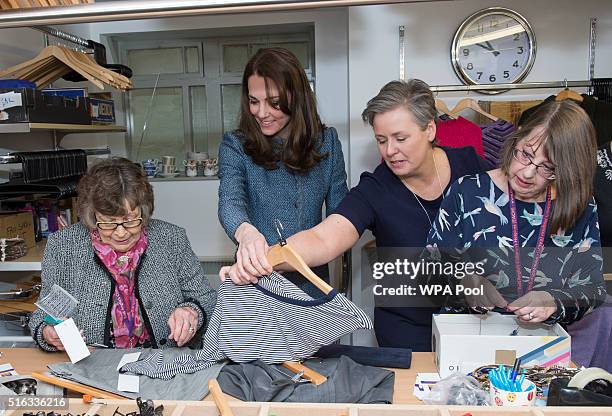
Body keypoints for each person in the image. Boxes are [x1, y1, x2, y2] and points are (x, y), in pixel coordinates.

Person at [221, 79, 485, 351]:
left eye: (400, 138)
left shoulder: (472, 166)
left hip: (476, 325)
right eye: (381, 140)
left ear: (429, 128)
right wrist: (256, 261)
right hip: (408, 333)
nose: (390, 151)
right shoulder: (376, 189)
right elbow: (322, 239)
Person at [426, 100, 607, 325]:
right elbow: (429, 268)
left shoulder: (579, 205)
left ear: (568, 170)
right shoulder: (468, 192)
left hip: (542, 347)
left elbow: (593, 288)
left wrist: (553, 300)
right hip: (467, 338)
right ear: (517, 138)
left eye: (548, 167)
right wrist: (463, 280)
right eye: (526, 154)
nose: (528, 172)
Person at [29, 158, 217, 351]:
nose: (121, 233)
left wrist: (192, 312)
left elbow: (206, 298)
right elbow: (43, 315)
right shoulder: (63, 246)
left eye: (130, 221)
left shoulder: (171, 239)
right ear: (91, 215)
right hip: (92, 366)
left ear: (144, 212)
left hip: (165, 363)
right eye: (109, 222)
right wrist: (47, 332)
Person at [218, 47, 348, 293]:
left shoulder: (327, 142)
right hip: (255, 282)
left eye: (274, 103)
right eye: (253, 102)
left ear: (296, 98)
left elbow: (340, 216)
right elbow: (230, 201)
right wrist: (246, 233)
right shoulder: (236, 145)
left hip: (310, 281)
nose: (262, 113)